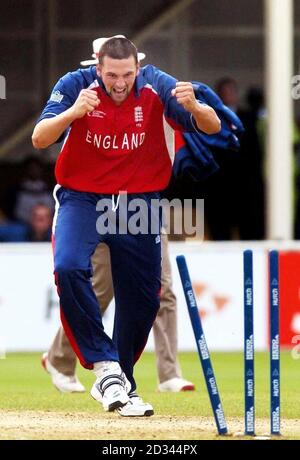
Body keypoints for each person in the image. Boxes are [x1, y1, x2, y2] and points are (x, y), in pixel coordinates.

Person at [32, 36, 220, 417]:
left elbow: (212, 127)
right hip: (83, 197)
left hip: (139, 201)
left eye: (128, 75)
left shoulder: (157, 83)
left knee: (146, 298)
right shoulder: (74, 85)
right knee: (69, 267)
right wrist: (72, 114)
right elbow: (39, 138)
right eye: (112, 75)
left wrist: (196, 107)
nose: (121, 83)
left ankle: (122, 382)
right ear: (97, 68)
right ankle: (105, 368)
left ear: (139, 68)